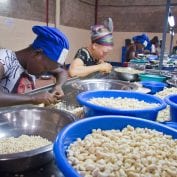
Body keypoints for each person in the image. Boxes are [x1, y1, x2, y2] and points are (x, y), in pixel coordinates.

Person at [0, 25, 69, 107]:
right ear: (37, 54)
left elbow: (62, 72)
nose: (44, 73)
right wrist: (33, 98)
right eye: (45, 68)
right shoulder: (4, 60)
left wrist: (58, 86)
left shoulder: (39, 63)